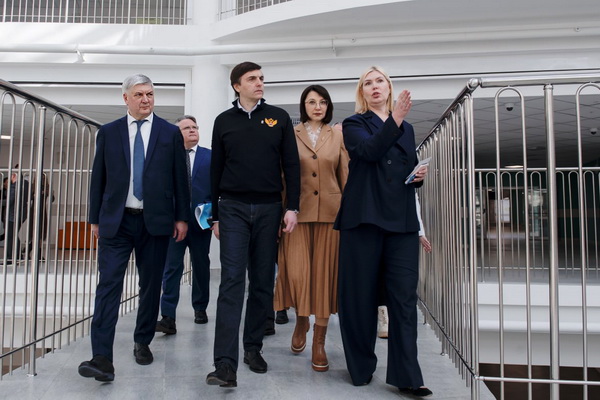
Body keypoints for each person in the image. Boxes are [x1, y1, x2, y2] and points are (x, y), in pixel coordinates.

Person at [78, 74, 190, 382]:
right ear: (125, 98)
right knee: (108, 285)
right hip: (117, 221)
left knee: (150, 285)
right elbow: (98, 177)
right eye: (139, 94)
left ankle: (142, 341)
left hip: (156, 221)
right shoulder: (109, 132)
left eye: (150, 94)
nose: (145, 99)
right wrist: (95, 219)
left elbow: (180, 178)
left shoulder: (169, 133)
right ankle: (102, 357)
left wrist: (181, 217)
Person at [334, 66, 432, 397]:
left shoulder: (407, 128)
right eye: (368, 83)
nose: (374, 86)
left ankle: (408, 376)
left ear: (389, 88)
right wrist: (396, 119)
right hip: (364, 217)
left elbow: (403, 167)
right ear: (362, 92)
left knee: (404, 297)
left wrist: (417, 176)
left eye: (380, 81)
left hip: (401, 219)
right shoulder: (354, 124)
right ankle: (361, 367)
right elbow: (368, 152)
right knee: (359, 296)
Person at [206, 61, 300, 388]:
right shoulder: (223, 121)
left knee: (262, 281)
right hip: (231, 208)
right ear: (237, 85)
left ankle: (252, 348)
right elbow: (215, 169)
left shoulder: (279, 118)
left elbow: (291, 165)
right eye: (252, 79)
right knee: (231, 281)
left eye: (261, 78)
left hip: (269, 208)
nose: (259, 83)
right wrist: (214, 215)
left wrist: (292, 207)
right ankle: (224, 364)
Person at [274, 84, 348, 372]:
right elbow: (283, 176)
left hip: (331, 216)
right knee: (297, 273)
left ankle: (319, 340)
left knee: (325, 277)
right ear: (303, 106)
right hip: (297, 214)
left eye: (322, 102)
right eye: (311, 102)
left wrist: (349, 215)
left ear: (328, 106)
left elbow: (344, 175)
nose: (318, 107)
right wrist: (282, 212)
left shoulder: (337, 135)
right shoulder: (290, 134)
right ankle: (301, 320)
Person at [155, 115, 212, 335]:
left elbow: (218, 188)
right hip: (174, 224)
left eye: (194, 127)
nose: (192, 130)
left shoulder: (210, 156)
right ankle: (168, 316)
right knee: (171, 268)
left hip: (201, 222)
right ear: (177, 134)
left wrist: (214, 215)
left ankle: (200, 308)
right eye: (186, 128)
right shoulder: (168, 157)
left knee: (201, 266)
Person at [378, 193, 431, 339]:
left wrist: (420, 231)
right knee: (379, 271)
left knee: (396, 278)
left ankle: (385, 314)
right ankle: (382, 312)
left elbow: (412, 199)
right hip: (374, 225)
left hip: (399, 228)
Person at [2, 169, 30, 263]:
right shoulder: (25, 185)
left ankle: (11, 258)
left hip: (12, 215)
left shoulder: (15, 186)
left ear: (14, 176)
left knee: (10, 237)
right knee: (13, 236)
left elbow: (10, 200)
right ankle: (17, 256)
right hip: (20, 214)